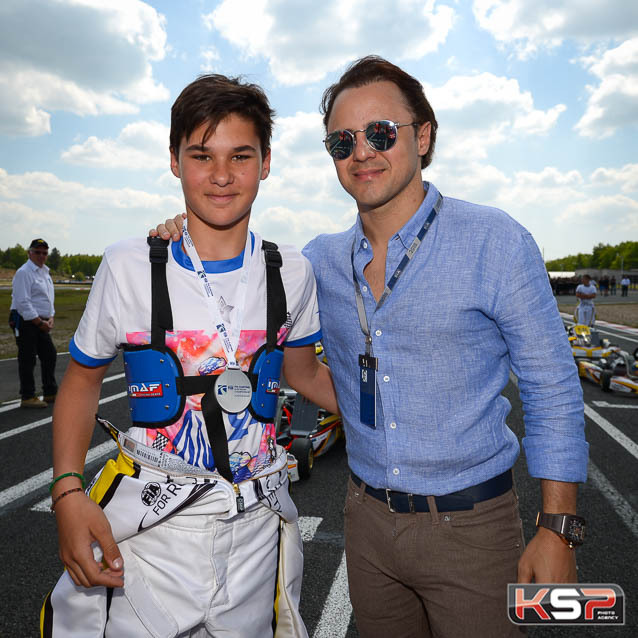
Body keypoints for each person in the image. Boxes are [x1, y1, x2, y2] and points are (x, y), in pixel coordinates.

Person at [155, 57, 588, 638]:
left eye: (381, 133)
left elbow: (552, 387)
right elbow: (287, 351)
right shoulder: (318, 262)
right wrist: (179, 237)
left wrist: (558, 528)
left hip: (473, 529)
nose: (362, 151)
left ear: (424, 135)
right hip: (367, 525)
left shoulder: (496, 241)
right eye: (342, 141)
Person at [42, 74, 338, 638]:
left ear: (267, 162)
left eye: (240, 156)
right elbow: (82, 381)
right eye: (201, 155)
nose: (222, 175)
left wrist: (397, 404)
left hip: (256, 529)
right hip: (149, 533)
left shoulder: (292, 272)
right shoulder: (129, 265)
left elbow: (302, 373)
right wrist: (66, 492)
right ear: (174, 160)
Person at [10, 238, 57, 408]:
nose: (41, 255)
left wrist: (50, 317)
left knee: (49, 355)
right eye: (37, 252)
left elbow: (47, 298)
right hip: (25, 320)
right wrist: (39, 322)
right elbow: (23, 302)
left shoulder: (44, 272)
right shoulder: (24, 272)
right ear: (29, 253)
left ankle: (50, 392)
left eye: (44, 253)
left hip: (41, 321)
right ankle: (28, 396)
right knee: (27, 359)